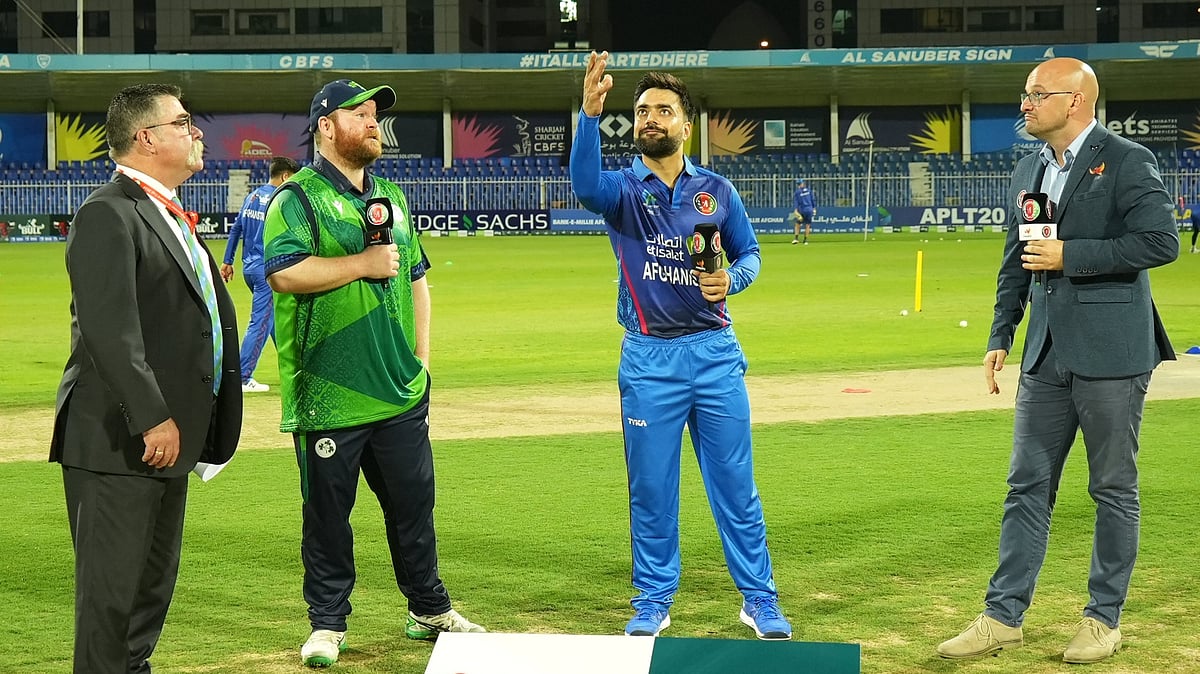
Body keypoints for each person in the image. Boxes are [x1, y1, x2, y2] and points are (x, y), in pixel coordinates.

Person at [937, 57, 1178, 665]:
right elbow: (1017, 258)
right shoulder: (1028, 166)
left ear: (1075, 101)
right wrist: (1001, 333)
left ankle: (1103, 619)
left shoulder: (1126, 160)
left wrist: (1072, 254)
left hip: (1113, 355)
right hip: (1045, 355)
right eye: (1025, 93)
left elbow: (1159, 242)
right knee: (1026, 488)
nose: (1025, 103)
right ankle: (1002, 617)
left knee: (1113, 489)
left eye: (1036, 94)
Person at [570, 52, 792, 641]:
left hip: (715, 355)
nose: (649, 118)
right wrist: (589, 114)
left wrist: (733, 280)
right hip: (649, 360)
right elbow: (583, 184)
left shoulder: (716, 191)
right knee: (652, 491)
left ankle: (759, 601)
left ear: (685, 125)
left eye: (662, 110)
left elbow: (750, 255)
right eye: (641, 111)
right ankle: (653, 601)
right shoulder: (620, 190)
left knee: (736, 488)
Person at [262, 78, 484, 668]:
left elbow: (416, 279)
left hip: (400, 391)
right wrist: (362, 262)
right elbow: (284, 273)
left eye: (375, 116)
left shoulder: (391, 195)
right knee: (329, 519)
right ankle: (328, 624)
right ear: (326, 127)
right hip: (330, 396)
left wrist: (422, 364)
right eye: (359, 115)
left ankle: (428, 609)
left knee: (414, 507)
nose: (373, 124)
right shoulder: (299, 198)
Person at [49, 83, 242, 674]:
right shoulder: (107, 212)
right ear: (147, 137)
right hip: (120, 440)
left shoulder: (168, 214)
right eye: (183, 122)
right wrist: (152, 415)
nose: (196, 131)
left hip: (165, 442)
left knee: (146, 600)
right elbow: (111, 331)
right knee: (111, 606)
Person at [220, 155, 300, 393]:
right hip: (268, 270)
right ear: (286, 176)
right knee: (261, 323)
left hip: (249, 268)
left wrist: (227, 261)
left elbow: (236, 229)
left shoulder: (252, 196)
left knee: (274, 319)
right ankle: (243, 377)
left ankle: (295, 369)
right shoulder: (281, 199)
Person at [790, 177, 816, 245]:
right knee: (807, 225)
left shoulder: (797, 192)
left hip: (802, 210)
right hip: (809, 209)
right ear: (803, 183)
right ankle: (805, 240)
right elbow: (813, 200)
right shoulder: (809, 190)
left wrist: (796, 210)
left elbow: (796, 202)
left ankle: (796, 239)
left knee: (798, 224)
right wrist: (814, 208)